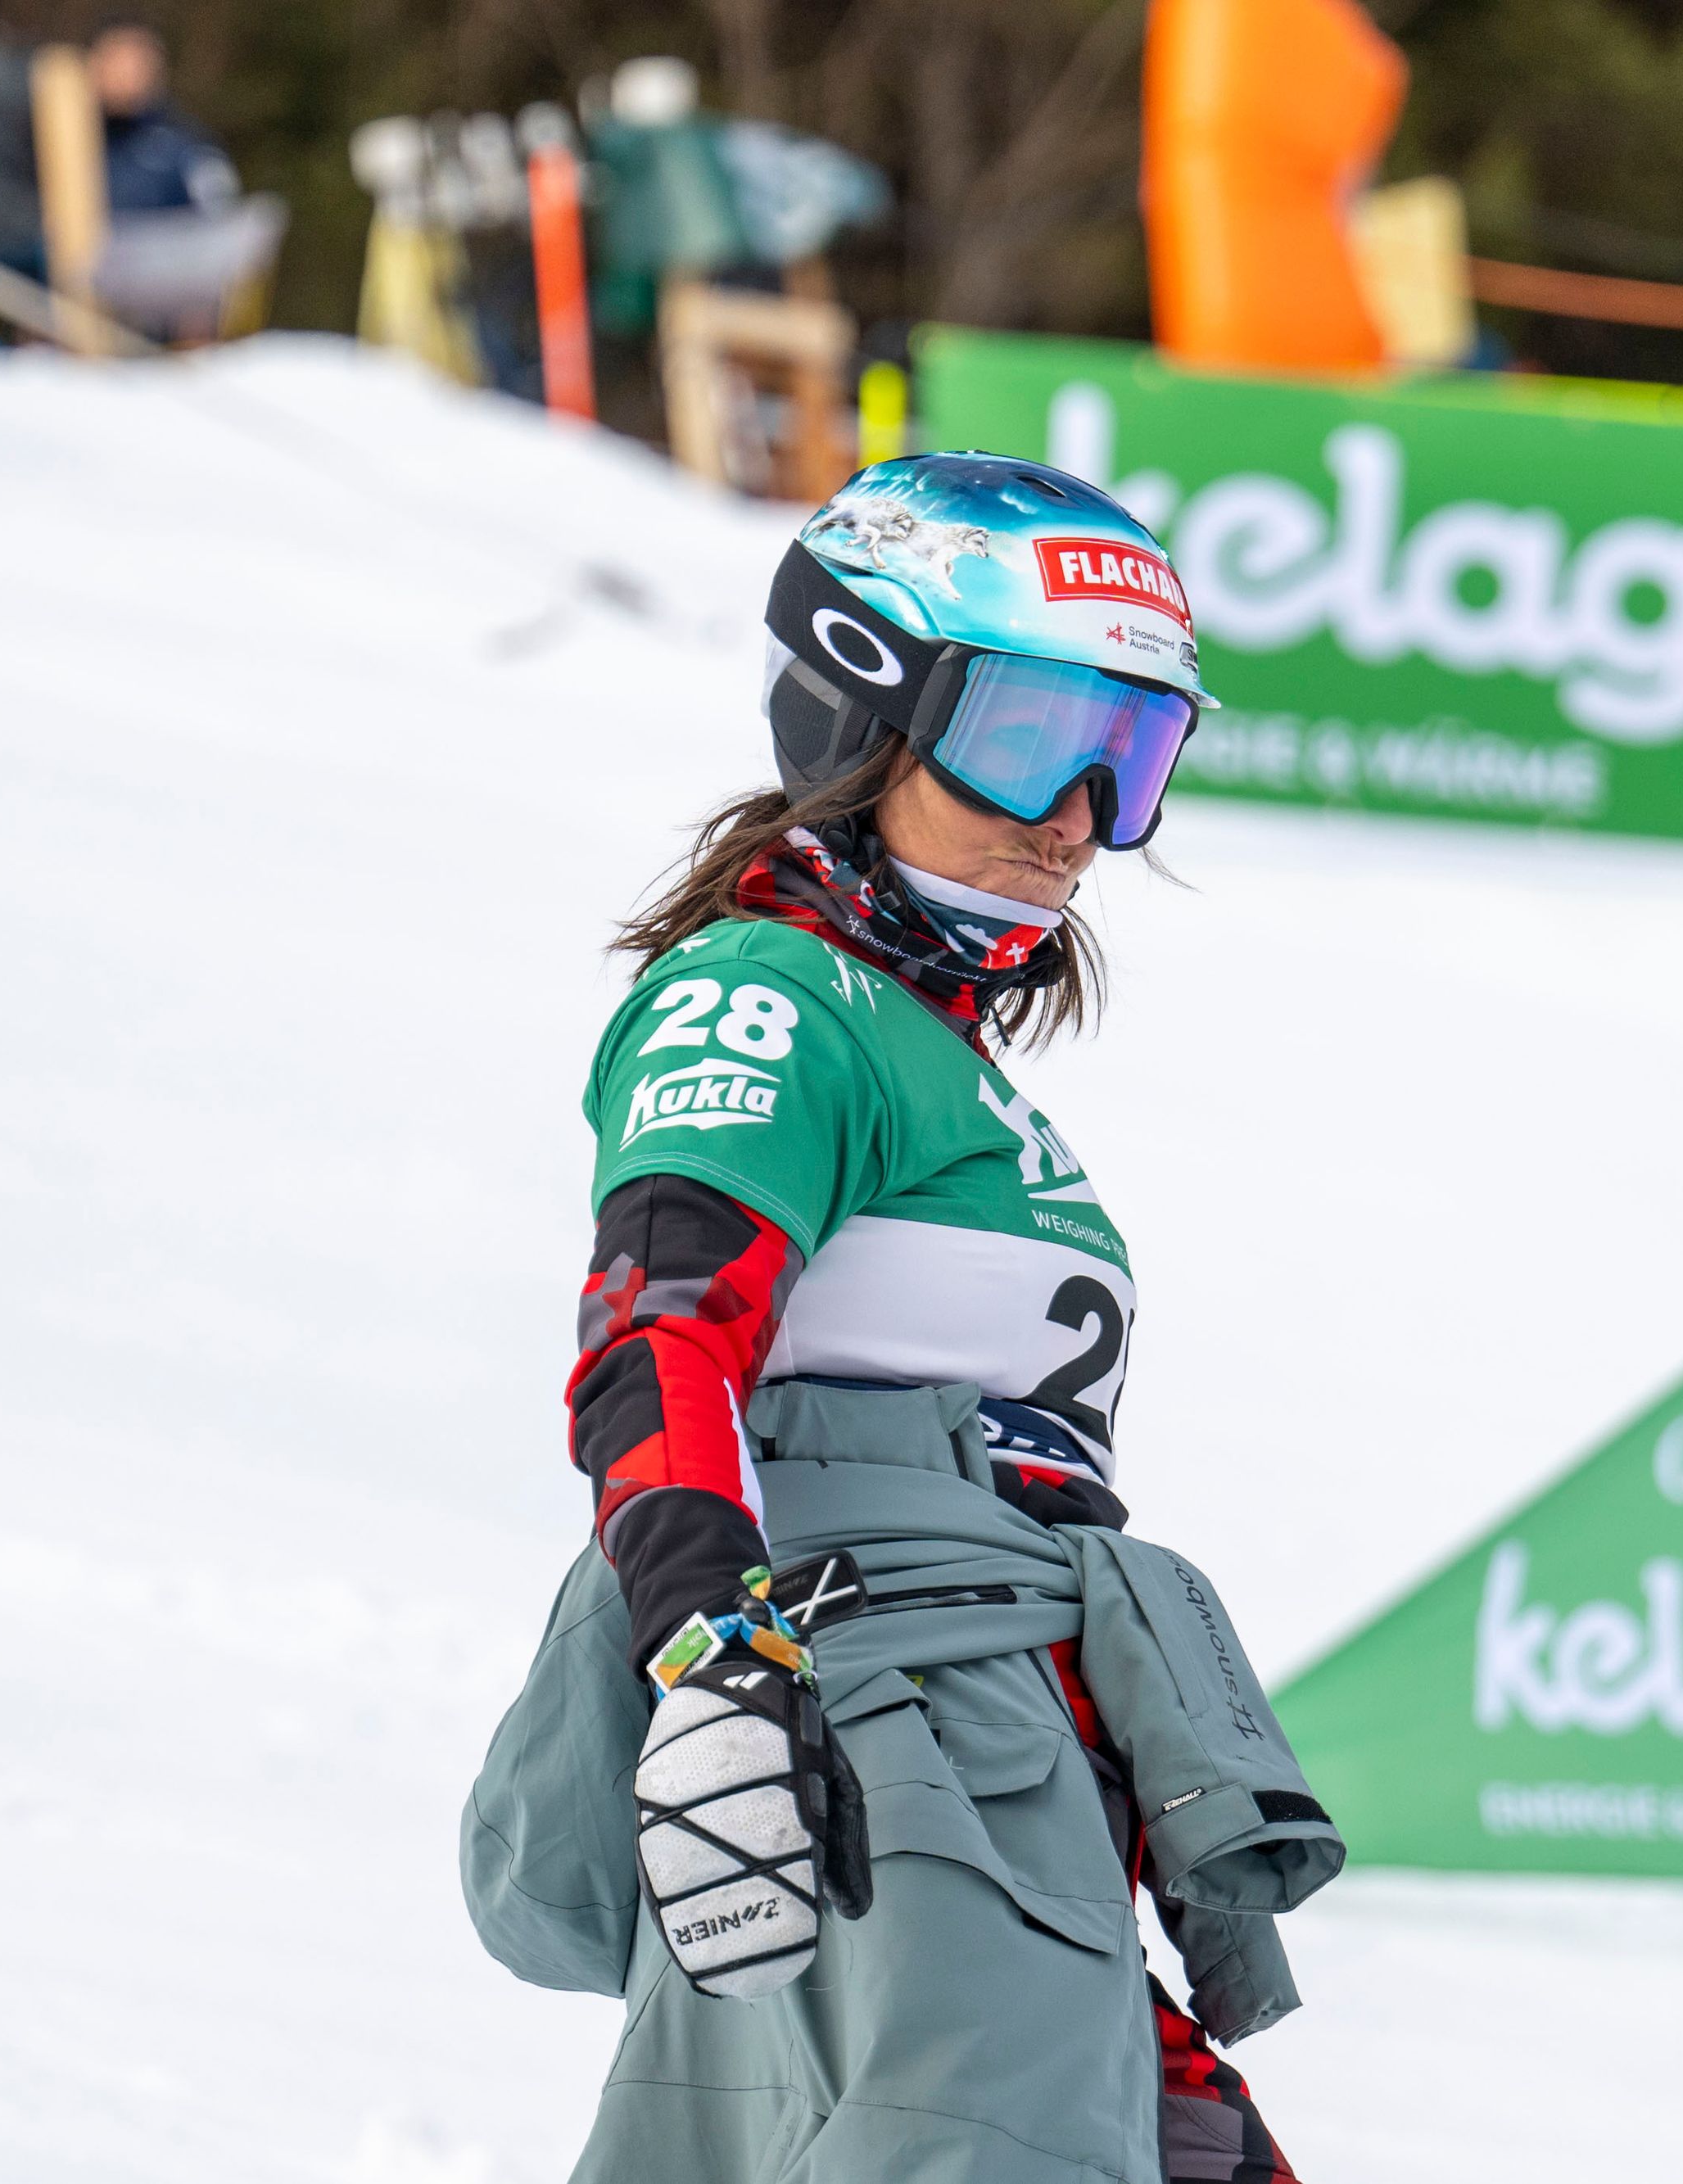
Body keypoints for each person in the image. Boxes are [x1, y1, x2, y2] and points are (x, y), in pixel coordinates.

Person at [477, 454, 1340, 2183]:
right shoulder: (768, 998)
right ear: (858, 703)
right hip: (896, 1750)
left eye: (1136, 751)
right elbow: (657, 1330)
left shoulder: (915, 1043)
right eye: (1032, 734)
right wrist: (708, 1656)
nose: (1079, 812)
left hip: (989, 1765)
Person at [84, 17, 237, 217]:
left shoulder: (188, 150)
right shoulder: (66, 143)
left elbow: (220, 223)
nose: (119, 76)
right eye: (110, 61)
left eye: (131, 63)